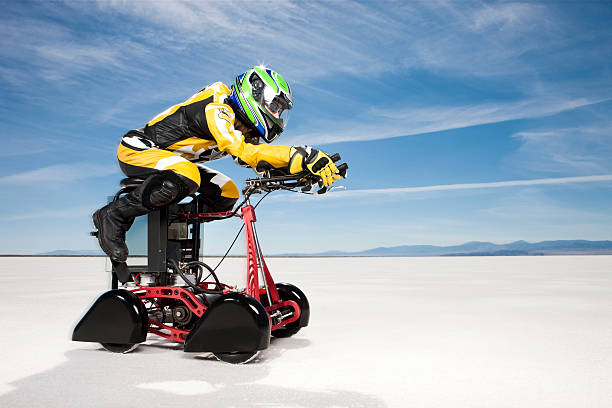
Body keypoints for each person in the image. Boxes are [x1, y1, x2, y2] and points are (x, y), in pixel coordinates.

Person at [93, 65, 343, 263]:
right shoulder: (218, 108)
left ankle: (172, 221)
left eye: (281, 110)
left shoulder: (242, 129)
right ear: (254, 92)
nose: (277, 115)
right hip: (138, 149)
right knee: (188, 174)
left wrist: (306, 170)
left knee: (227, 192)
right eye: (275, 106)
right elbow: (242, 152)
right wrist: (301, 155)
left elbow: (259, 161)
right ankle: (112, 216)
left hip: (174, 164)